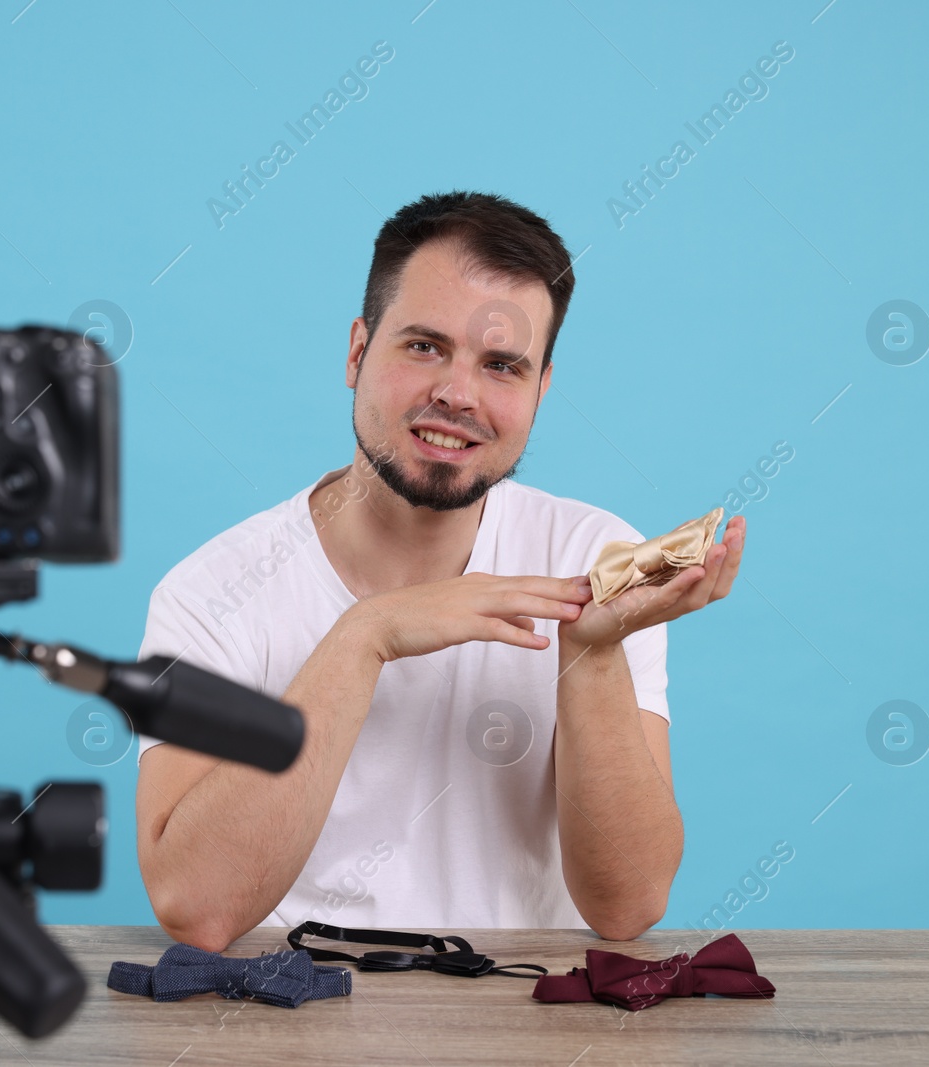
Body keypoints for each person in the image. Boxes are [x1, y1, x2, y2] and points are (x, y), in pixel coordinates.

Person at [134, 191, 746, 951]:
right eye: (425, 346)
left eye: (501, 365)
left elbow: (627, 906)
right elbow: (196, 907)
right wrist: (366, 635)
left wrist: (590, 651)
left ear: (540, 388)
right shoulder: (209, 593)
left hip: (522, 1025)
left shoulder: (592, 561)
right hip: (288, 1019)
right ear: (358, 351)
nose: (459, 395)